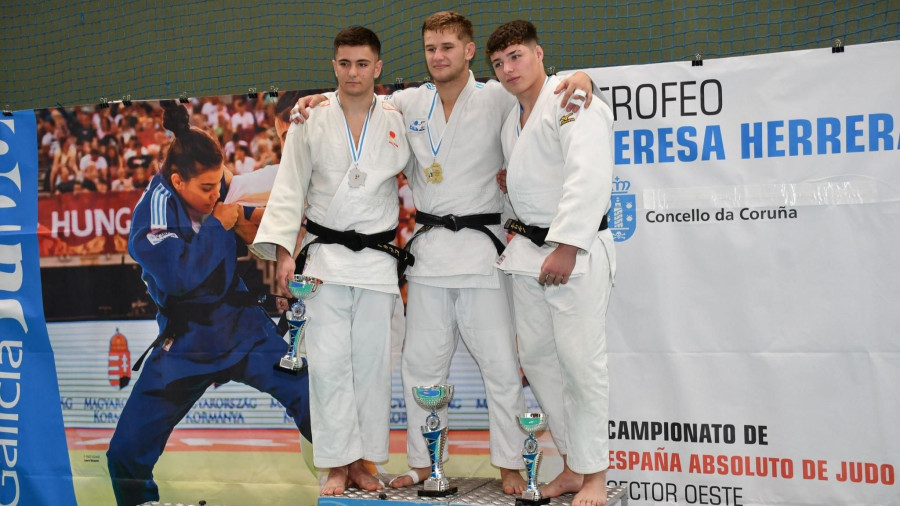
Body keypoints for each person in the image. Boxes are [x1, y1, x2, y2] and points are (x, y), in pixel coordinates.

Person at [289, 11, 596, 494]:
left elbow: (545, 88)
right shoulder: (407, 103)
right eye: (431, 49)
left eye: (448, 47)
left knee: (499, 364)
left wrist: (580, 76)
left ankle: (511, 463)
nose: (438, 57)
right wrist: (317, 101)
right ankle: (421, 461)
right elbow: (356, 95)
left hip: (483, 252)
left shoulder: (497, 94)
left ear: (469, 51)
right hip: (430, 255)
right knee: (420, 367)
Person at [106, 101, 312, 506]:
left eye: (218, 184)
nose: (215, 194)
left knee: (314, 400)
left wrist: (243, 213)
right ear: (177, 180)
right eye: (205, 188)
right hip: (186, 344)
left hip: (242, 328)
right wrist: (220, 222)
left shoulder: (213, 185)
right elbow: (181, 278)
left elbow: (252, 205)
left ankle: (352, 478)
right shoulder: (151, 218)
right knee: (125, 453)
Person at [253, 26, 411, 496]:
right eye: (344, 63)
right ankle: (335, 464)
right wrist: (285, 255)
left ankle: (363, 461)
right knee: (327, 365)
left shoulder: (398, 116)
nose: (353, 72)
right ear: (334, 66)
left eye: (363, 63)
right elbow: (289, 189)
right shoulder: (310, 119)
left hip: (377, 261)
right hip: (323, 260)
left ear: (378, 68)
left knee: (371, 365)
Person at [487, 20, 615, 506]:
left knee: (582, 366)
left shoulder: (571, 100)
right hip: (527, 254)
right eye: (498, 63)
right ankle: (572, 464)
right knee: (540, 362)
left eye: (516, 56)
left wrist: (567, 245)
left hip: (572, 253)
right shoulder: (511, 118)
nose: (507, 69)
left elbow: (589, 175)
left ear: (540, 53)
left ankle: (596, 476)